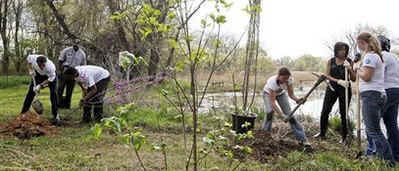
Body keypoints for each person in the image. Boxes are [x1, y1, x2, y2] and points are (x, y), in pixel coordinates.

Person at [355, 32, 395, 165]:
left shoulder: (371, 57)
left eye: (358, 44)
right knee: (377, 128)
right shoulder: (377, 56)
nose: (358, 47)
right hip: (378, 94)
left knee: (373, 130)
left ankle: (389, 161)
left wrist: (357, 69)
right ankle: (386, 157)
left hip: (371, 95)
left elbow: (366, 76)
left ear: (362, 42)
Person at [314, 42, 356, 143]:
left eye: (345, 49)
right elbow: (326, 75)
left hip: (345, 89)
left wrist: (349, 69)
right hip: (332, 88)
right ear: (336, 50)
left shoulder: (349, 61)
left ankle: (344, 137)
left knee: (343, 113)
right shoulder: (331, 61)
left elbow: (354, 78)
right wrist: (338, 81)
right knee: (325, 111)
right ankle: (322, 133)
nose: (343, 51)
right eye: (341, 49)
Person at [366, 35, 399, 162]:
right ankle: (395, 155)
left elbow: (373, 74)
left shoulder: (381, 56)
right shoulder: (395, 57)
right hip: (396, 90)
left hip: (386, 90)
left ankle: (374, 154)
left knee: (372, 124)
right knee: (391, 124)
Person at [262, 67, 310, 147]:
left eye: (287, 78)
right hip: (268, 94)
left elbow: (291, 94)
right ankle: (265, 136)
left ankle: (303, 140)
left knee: (290, 114)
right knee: (269, 112)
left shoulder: (289, 80)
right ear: (278, 76)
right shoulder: (272, 82)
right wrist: (281, 115)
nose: (285, 80)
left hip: (281, 94)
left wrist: (298, 100)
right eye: (284, 78)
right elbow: (273, 103)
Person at [21, 55, 59, 124]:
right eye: (40, 65)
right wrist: (30, 70)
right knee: (30, 93)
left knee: (53, 94)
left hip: (49, 77)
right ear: (36, 63)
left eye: (43, 65)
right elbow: (28, 61)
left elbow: (50, 79)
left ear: (45, 62)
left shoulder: (51, 67)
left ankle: (55, 115)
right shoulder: (33, 59)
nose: (41, 67)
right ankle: (24, 112)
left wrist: (40, 86)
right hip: (37, 75)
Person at [57, 43, 86, 109]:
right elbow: (60, 61)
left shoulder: (82, 54)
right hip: (65, 72)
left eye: (78, 44)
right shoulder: (66, 50)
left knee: (69, 91)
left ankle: (67, 106)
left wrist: (80, 76)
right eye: (75, 44)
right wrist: (60, 71)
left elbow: (83, 65)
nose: (76, 46)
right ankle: (58, 104)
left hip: (74, 73)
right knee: (60, 89)